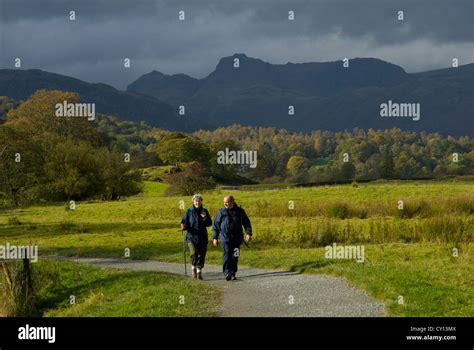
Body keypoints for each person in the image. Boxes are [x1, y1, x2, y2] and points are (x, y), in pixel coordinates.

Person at [212, 195, 252, 281]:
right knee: (226, 255)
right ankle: (227, 272)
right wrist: (215, 237)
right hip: (225, 237)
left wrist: (248, 233)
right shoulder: (221, 212)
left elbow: (246, 223)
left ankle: (233, 272)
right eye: (224, 202)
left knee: (235, 255)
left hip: (237, 238)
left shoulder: (240, 211)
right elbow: (216, 225)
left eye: (227, 202)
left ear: (232, 202)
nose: (225, 204)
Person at [181, 194, 212, 280]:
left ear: (201, 201)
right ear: (193, 202)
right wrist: (183, 226)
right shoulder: (189, 211)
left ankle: (199, 271)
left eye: (199, 201)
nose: (197, 202)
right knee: (194, 253)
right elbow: (184, 221)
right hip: (191, 237)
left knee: (202, 255)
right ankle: (193, 266)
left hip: (202, 237)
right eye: (196, 201)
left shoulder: (204, 211)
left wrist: (205, 217)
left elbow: (209, 223)